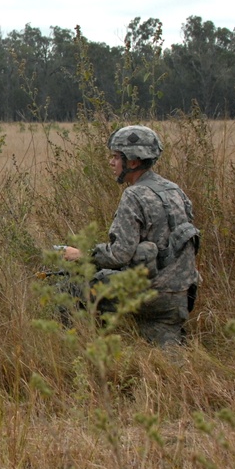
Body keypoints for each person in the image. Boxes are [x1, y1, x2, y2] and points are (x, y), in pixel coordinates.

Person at [59, 125, 200, 347]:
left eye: (116, 157)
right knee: (167, 356)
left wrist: (81, 255)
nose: (111, 163)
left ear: (133, 162)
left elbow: (119, 255)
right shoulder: (174, 190)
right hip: (180, 296)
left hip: (148, 294)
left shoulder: (133, 195)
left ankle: (73, 351)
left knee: (69, 288)